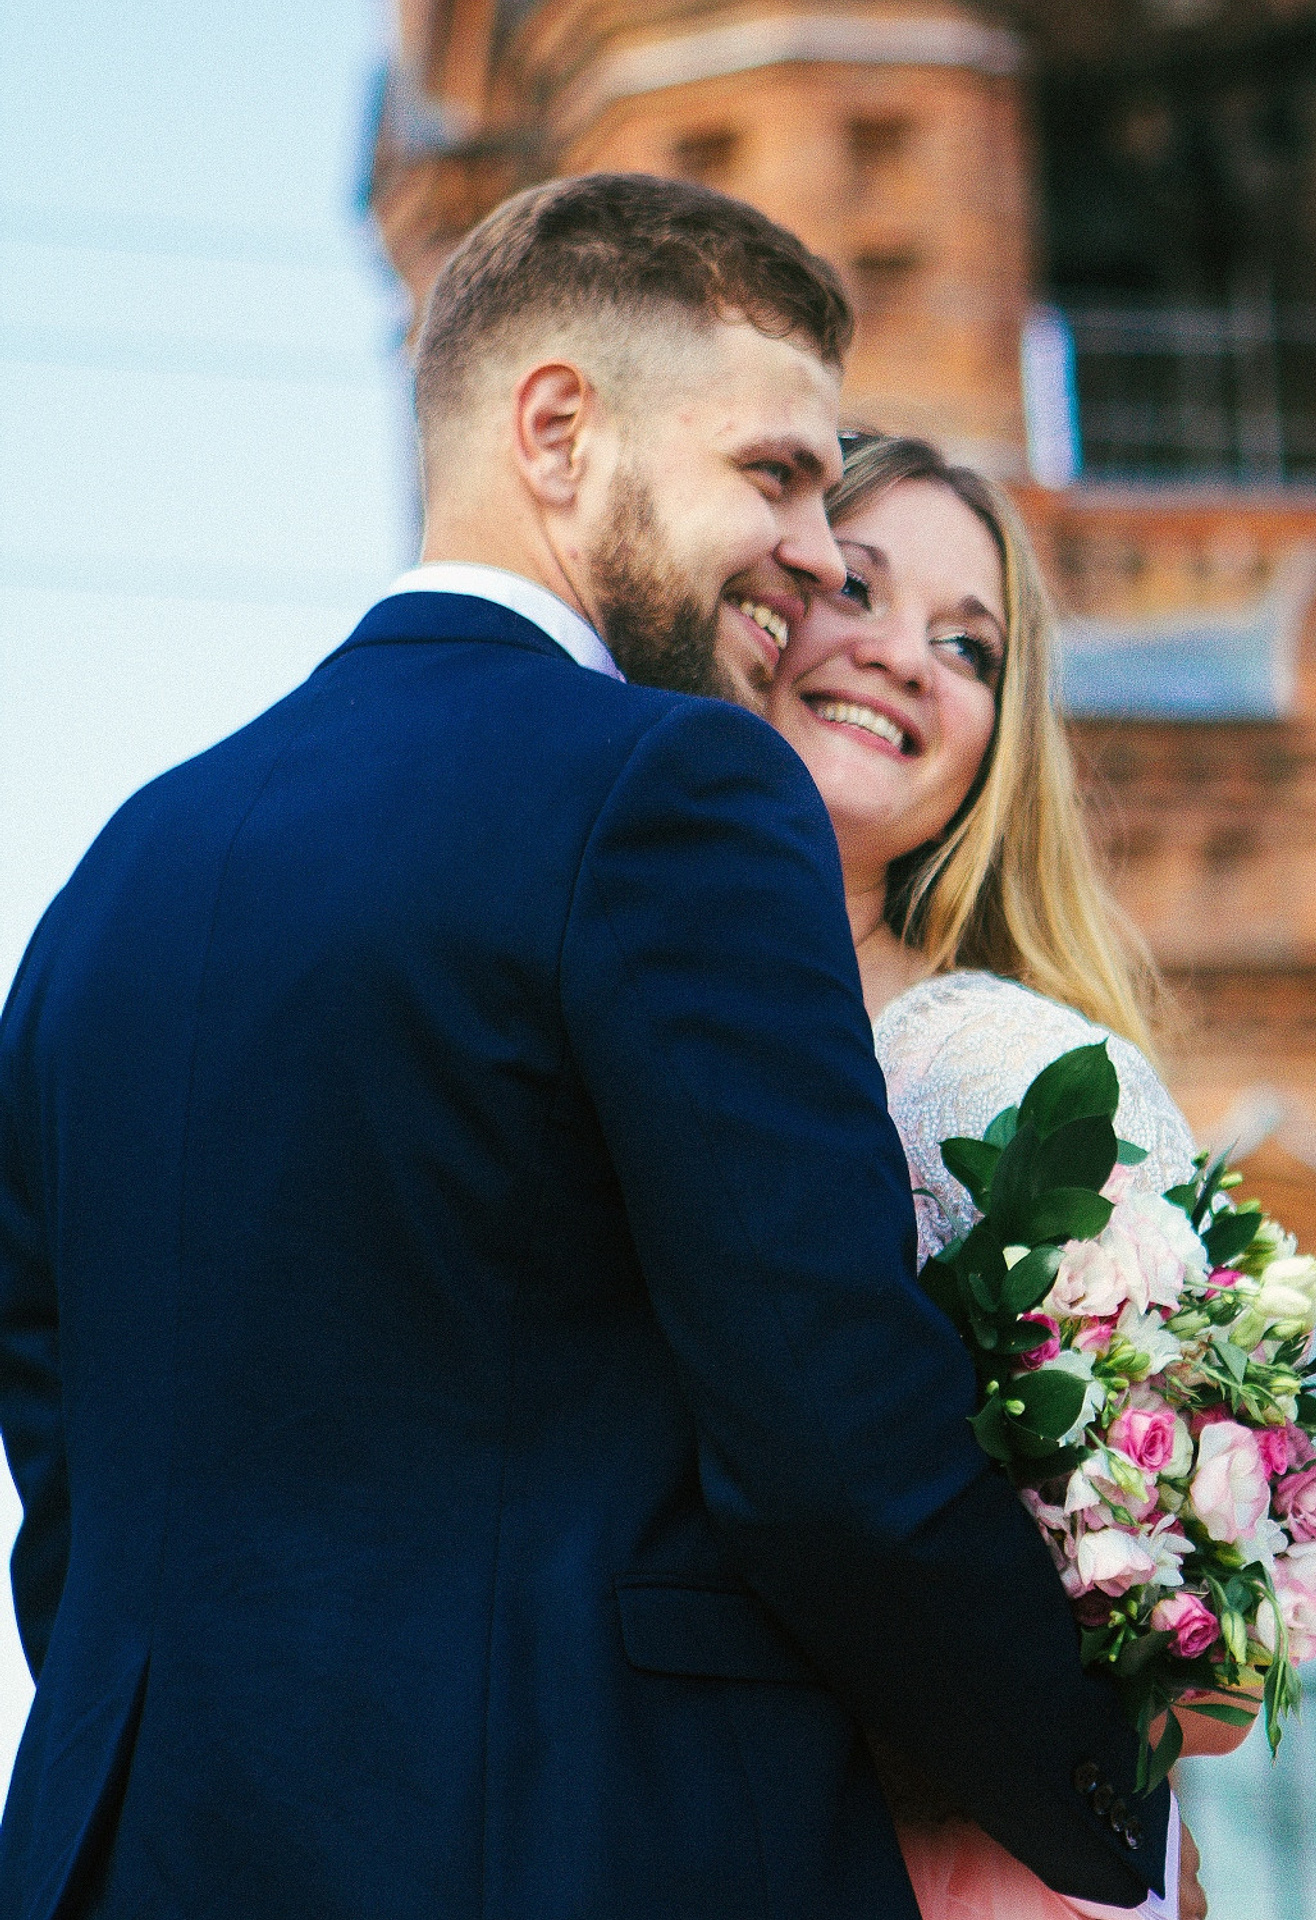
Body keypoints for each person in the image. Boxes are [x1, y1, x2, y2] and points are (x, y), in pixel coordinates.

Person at [0, 176, 1174, 1919]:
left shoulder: (116, 878)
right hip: (572, 1844)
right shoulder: (675, 790)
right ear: (558, 431)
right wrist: (1105, 1785)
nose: (814, 549)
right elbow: (829, 1438)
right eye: (773, 473)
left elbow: (70, 1497)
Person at [765, 434, 1238, 1920]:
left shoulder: (1012, 1075)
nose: (904, 658)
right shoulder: (584, 1007)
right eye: (855, 587)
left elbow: (1208, 1667)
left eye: (968, 647)